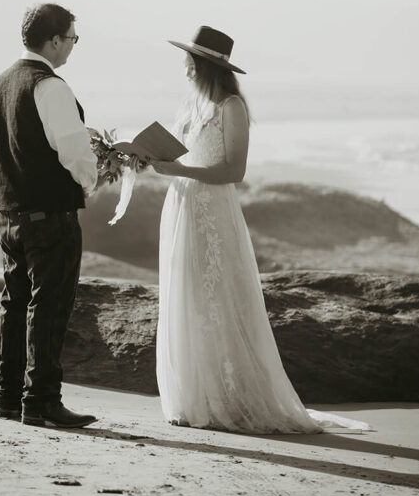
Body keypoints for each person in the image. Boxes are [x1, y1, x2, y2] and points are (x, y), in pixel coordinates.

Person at [151, 25, 369, 434]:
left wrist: (179, 169)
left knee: (216, 299)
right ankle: (193, 396)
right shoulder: (191, 106)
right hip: (181, 207)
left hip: (212, 212)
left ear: (203, 66)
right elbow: (183, 155)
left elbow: (234, 170)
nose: (183, 67)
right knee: (187, 296)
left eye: (188, 60)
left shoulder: (231, 106)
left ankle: (226, 398)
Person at [0, 3, 98, 429]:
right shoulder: (50, 86)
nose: (72, 46)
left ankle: (8, 398)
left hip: (9, 214)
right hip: (50, 215)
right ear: (53, 40)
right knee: (49, 308)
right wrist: (92, 178)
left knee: (14, 306)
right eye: (72, 38)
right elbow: (73, 153)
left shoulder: (1, 83)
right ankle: (42, 402)